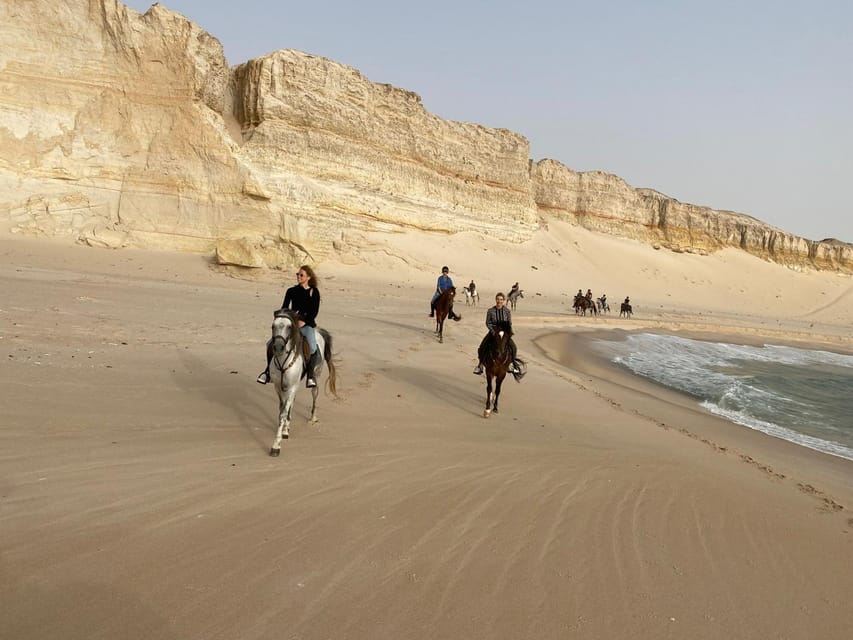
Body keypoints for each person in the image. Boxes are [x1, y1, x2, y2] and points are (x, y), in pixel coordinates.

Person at [257, 265, 322, 388]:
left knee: (313, 347)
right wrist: (280, 316)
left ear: (308, 277)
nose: (298, 277)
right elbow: (285, 307)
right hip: (291, 325)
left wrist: (304, 321)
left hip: (307, 324)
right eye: (297, 274)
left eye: (301, 275)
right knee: (270, 343)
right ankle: (267, 373)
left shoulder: (314, 292)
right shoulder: (291, 291)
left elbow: (314, 312)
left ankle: (310, 376)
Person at [473, 293, 521, 375]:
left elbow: (509, 323)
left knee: (514, 347)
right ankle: (480, 365)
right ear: (496, 300)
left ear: (503, 301)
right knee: (482, 346)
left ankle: (512, 364)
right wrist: (493, 332)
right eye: (498, 299)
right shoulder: (490, 311)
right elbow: (488, 323)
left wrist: (508, 332)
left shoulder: (507, 311)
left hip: (504, 333)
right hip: (494, 332)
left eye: (501, 299)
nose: (499, 301)